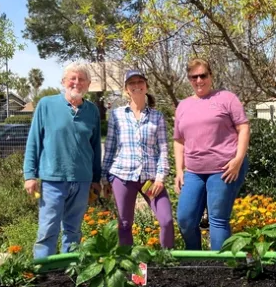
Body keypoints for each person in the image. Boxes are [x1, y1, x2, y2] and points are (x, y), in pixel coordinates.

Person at [24, 62, 102, 258]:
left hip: (82, 180)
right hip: (53, 179)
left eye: (81, 79)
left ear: (88, 84)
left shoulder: (92, 111)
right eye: (72, 78)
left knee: (73, 232)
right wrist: (29, 175)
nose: (77, 82)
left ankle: (69, 273)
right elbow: (34, 140)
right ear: (63, 81)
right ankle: (43, 274)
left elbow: (95, 147)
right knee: (47, 230)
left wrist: (96, 179)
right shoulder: (46, 105)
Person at [174, 58, 250, 251]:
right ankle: (195, 260)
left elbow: (243, 127)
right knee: (185, 219)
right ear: (189, 79)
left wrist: (238, 160)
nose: (199, 80)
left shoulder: (226, 98)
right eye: (194, 77)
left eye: (203, 75)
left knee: (217, 219)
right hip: (194, 171)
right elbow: (178, 140)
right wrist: (179, 170)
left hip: (224, 169)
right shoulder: (183, 106)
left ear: (211, 76)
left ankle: (219, 267)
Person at [102, 69, 174, 249]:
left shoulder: (157, 117)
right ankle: (128, 263)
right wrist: (105, 179)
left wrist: (160, 178)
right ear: (126, 89)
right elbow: (109, 148)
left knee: (166, 221)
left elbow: (163, 150)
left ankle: (167, 259)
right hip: (123, 178)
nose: (136, 86)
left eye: (139, 82)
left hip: (150, 180)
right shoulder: (117, 115)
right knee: (124, 224)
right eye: (131, 83)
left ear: (146, 86)